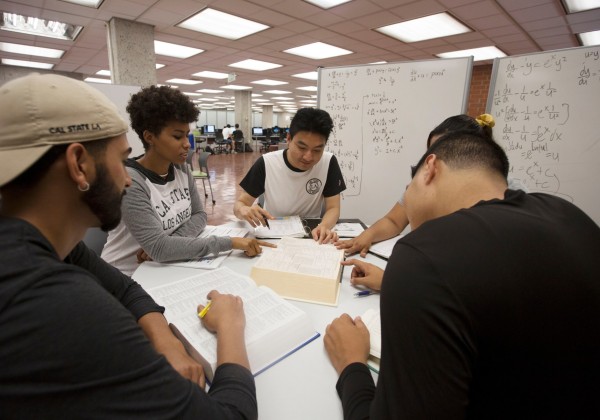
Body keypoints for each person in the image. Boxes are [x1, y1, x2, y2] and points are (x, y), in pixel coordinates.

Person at [0, 73, 257, 418]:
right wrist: (230, 326)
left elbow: (126, 290)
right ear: (79, 165)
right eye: (120, 161)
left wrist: (164, 339)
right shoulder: (60, 302)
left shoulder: (49, 244)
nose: (125, 179)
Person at [324, 131, 600, 419]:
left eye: (408, 187)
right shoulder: (571, 216)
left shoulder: (424, 255)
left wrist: (351, 365)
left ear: (430, 168)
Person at [101, 86, 273, 276]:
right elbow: (161, 248)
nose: (187, 143)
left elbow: (199, 215)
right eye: (177, 136)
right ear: (149, 137)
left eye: (186, 134)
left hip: (164, 266)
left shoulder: (180, 167)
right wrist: (230, 242)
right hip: (127, 275)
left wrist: (170, 243)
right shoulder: (131, 181)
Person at [335, 113, 526, 258]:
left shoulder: (509, 195)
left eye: (445, 154)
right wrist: (368, 235)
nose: (431, 167)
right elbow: (394, 221)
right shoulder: (423, 185)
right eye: (430, 153)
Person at [234, 107, 346, 244]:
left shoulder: (328, 162)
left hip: (311, 235)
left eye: (317, 150)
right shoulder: (267, 163)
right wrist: (243, 209)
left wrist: (324, 226)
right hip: (274, 235)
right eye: (302, 147)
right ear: (288, 138)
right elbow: (240, 205)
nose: (308, 156)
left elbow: (333, 208)